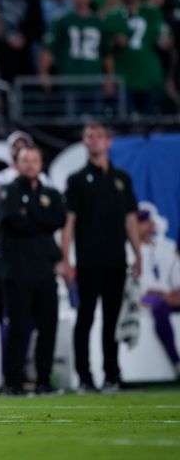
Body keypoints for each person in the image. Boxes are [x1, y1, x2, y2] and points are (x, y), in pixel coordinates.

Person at [60, 122, 141, 393]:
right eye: (88, 137)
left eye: (98, 136)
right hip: (87, 262)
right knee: (85, 319)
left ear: (109, 141)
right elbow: (68, 223)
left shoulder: (122, 179)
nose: (93, 141)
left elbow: (130, 220)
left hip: (116, 260)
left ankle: (112, 375)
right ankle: (85, 377)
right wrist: (66, 260)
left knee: (112, 320)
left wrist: (138, 253)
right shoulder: (77, 179)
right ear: (84, 143)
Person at [0, 144, 67, 395]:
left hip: (45, 270)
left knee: (48, 327)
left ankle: (43, 381)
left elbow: (58, 219)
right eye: (26, 160)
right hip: (16, 271)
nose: (30, 165)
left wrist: (30, 214)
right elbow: (13, 222)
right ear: (17, 163)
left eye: (35, 160)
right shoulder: (8, 191)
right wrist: (40, 218)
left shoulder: (51, 192)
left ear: (41, 164)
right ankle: (13, 382)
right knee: (18, 328)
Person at [136, 204, 180, 378]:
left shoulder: (165, 247)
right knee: (159, 308)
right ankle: (176, 361)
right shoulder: (129, 249)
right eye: (139, 222)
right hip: (145, 299)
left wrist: (175, 293)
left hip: (171, 296)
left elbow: (175, 274)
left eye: (145, 221)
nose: (142, 225)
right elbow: (139, 285)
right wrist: (165, 295)